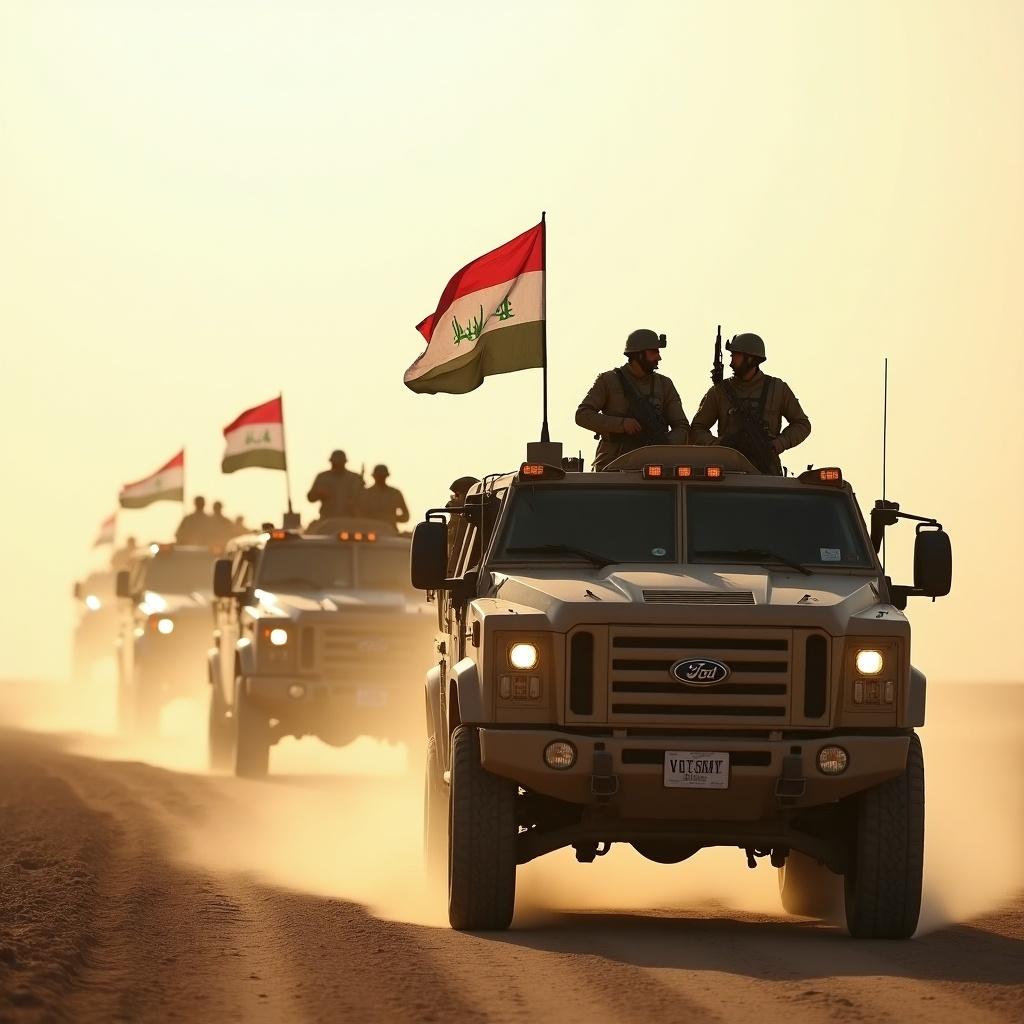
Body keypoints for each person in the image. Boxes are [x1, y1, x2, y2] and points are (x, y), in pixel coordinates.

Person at [690, 333, 811, 474]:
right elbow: (697, 429)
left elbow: (802, 424)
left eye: (735, 356)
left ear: (750, 359)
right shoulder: (720, 391)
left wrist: (778, 444)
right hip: (729, 472)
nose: (731, 363)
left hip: (767, 469)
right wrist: (719, 445)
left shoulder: (777, 389)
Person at [575, 329, 690, 470]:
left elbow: (682, 427)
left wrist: (664, 446)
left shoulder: (664, 385)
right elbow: (582, 415)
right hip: (613, 466)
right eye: (654, 352)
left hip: (653, 468)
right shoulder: (609, 380)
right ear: (638, 354)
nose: (659, 358)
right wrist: (621, 424)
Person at [306, 450, 365, 520]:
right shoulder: (323, 477)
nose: (337, 465)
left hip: (350, 520)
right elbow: (311, 498)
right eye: (335, 463)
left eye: (339, 463)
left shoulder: (354, 478)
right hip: (328, 519)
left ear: (344, 462)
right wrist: (319, 493)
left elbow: (364, 500)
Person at [357, 464, 410, 529]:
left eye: (382, 476)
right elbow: (358, 514)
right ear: (374, 476)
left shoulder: (395, 493)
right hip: (369, 530)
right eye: (379, 476)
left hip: (389, 531)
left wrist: (392, 518)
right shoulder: (366, 493)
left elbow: (406, 516)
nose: (381, 478)